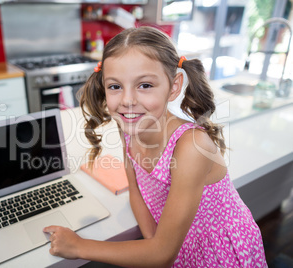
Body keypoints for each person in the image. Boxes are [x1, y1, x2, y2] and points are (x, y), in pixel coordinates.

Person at [43, 26, 267, 267]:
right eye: (115, 86)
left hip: (218, 253)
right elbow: (136, 190)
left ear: (174, 86)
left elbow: (162, 254)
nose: (128, 101)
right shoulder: (130, 127)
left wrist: (79, 246)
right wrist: (153, 242)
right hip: (174, 245)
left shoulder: (191, 146)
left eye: (145, 85)